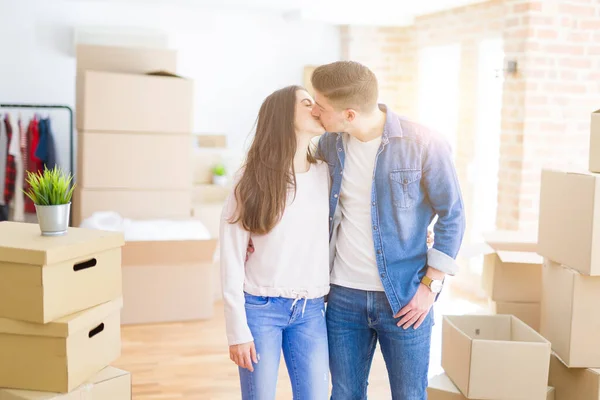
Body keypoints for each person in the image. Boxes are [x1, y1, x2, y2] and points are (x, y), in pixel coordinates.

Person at [311, 61, 466, 399]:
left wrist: (430, 287)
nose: (315, 113)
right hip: (342, 298)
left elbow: (453, 215)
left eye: (320, 107)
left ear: (349, 114)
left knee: (409, 395)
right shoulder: (330, 145)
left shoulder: (424, 142)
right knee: (344, 394)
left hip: (406, 296)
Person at [219, 85, 330, 400]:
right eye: (307, 103)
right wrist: (236, 331)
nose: (316, 108)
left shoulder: (327, 174)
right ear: (283, 115)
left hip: (311, 311)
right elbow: (230, 258)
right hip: (260, 308)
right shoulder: (250, 178)